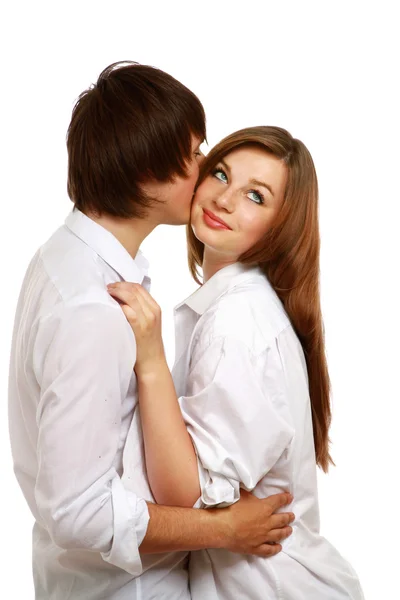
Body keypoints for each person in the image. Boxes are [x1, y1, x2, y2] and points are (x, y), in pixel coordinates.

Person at [7, 66, 294, 600]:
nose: (204, 168)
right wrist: (226, 530)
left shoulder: (63, 259)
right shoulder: (92, 309)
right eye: (192, 154)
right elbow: (78, 512)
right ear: (145, 172)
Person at [108, 126, 365, 599]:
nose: (225, 199)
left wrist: (150, 358)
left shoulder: (238, 322)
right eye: (221, 174)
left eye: (255, 196)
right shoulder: (241, 308)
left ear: (282, 225)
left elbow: (183, 496)